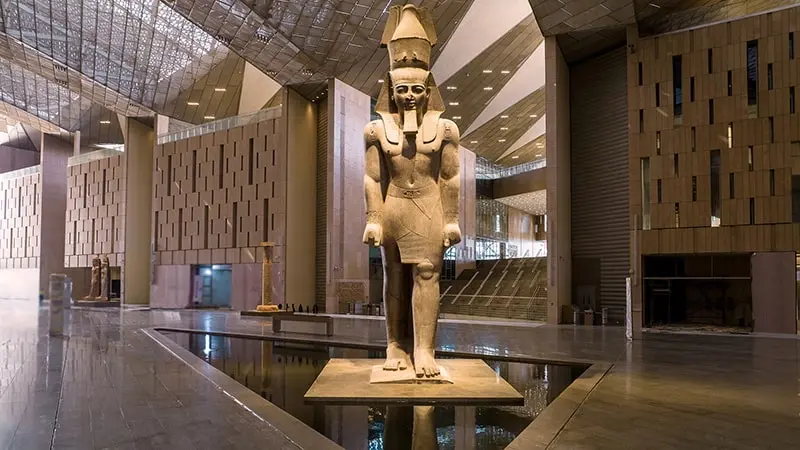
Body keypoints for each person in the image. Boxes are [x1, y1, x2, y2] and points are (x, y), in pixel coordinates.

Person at [362, 4, 460, 378]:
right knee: (395, 276)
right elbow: (373, 178)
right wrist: (373, 220)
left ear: (428, 90)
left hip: (430, 206)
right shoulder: (375, 131)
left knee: (427, 272)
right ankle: (394, 344)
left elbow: (449, 178)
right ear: (390, 89)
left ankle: (424, 349)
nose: (408, 97)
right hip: (394, 206)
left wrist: (451, 220)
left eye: (417, 89)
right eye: (401, 89)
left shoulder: (446, 129)